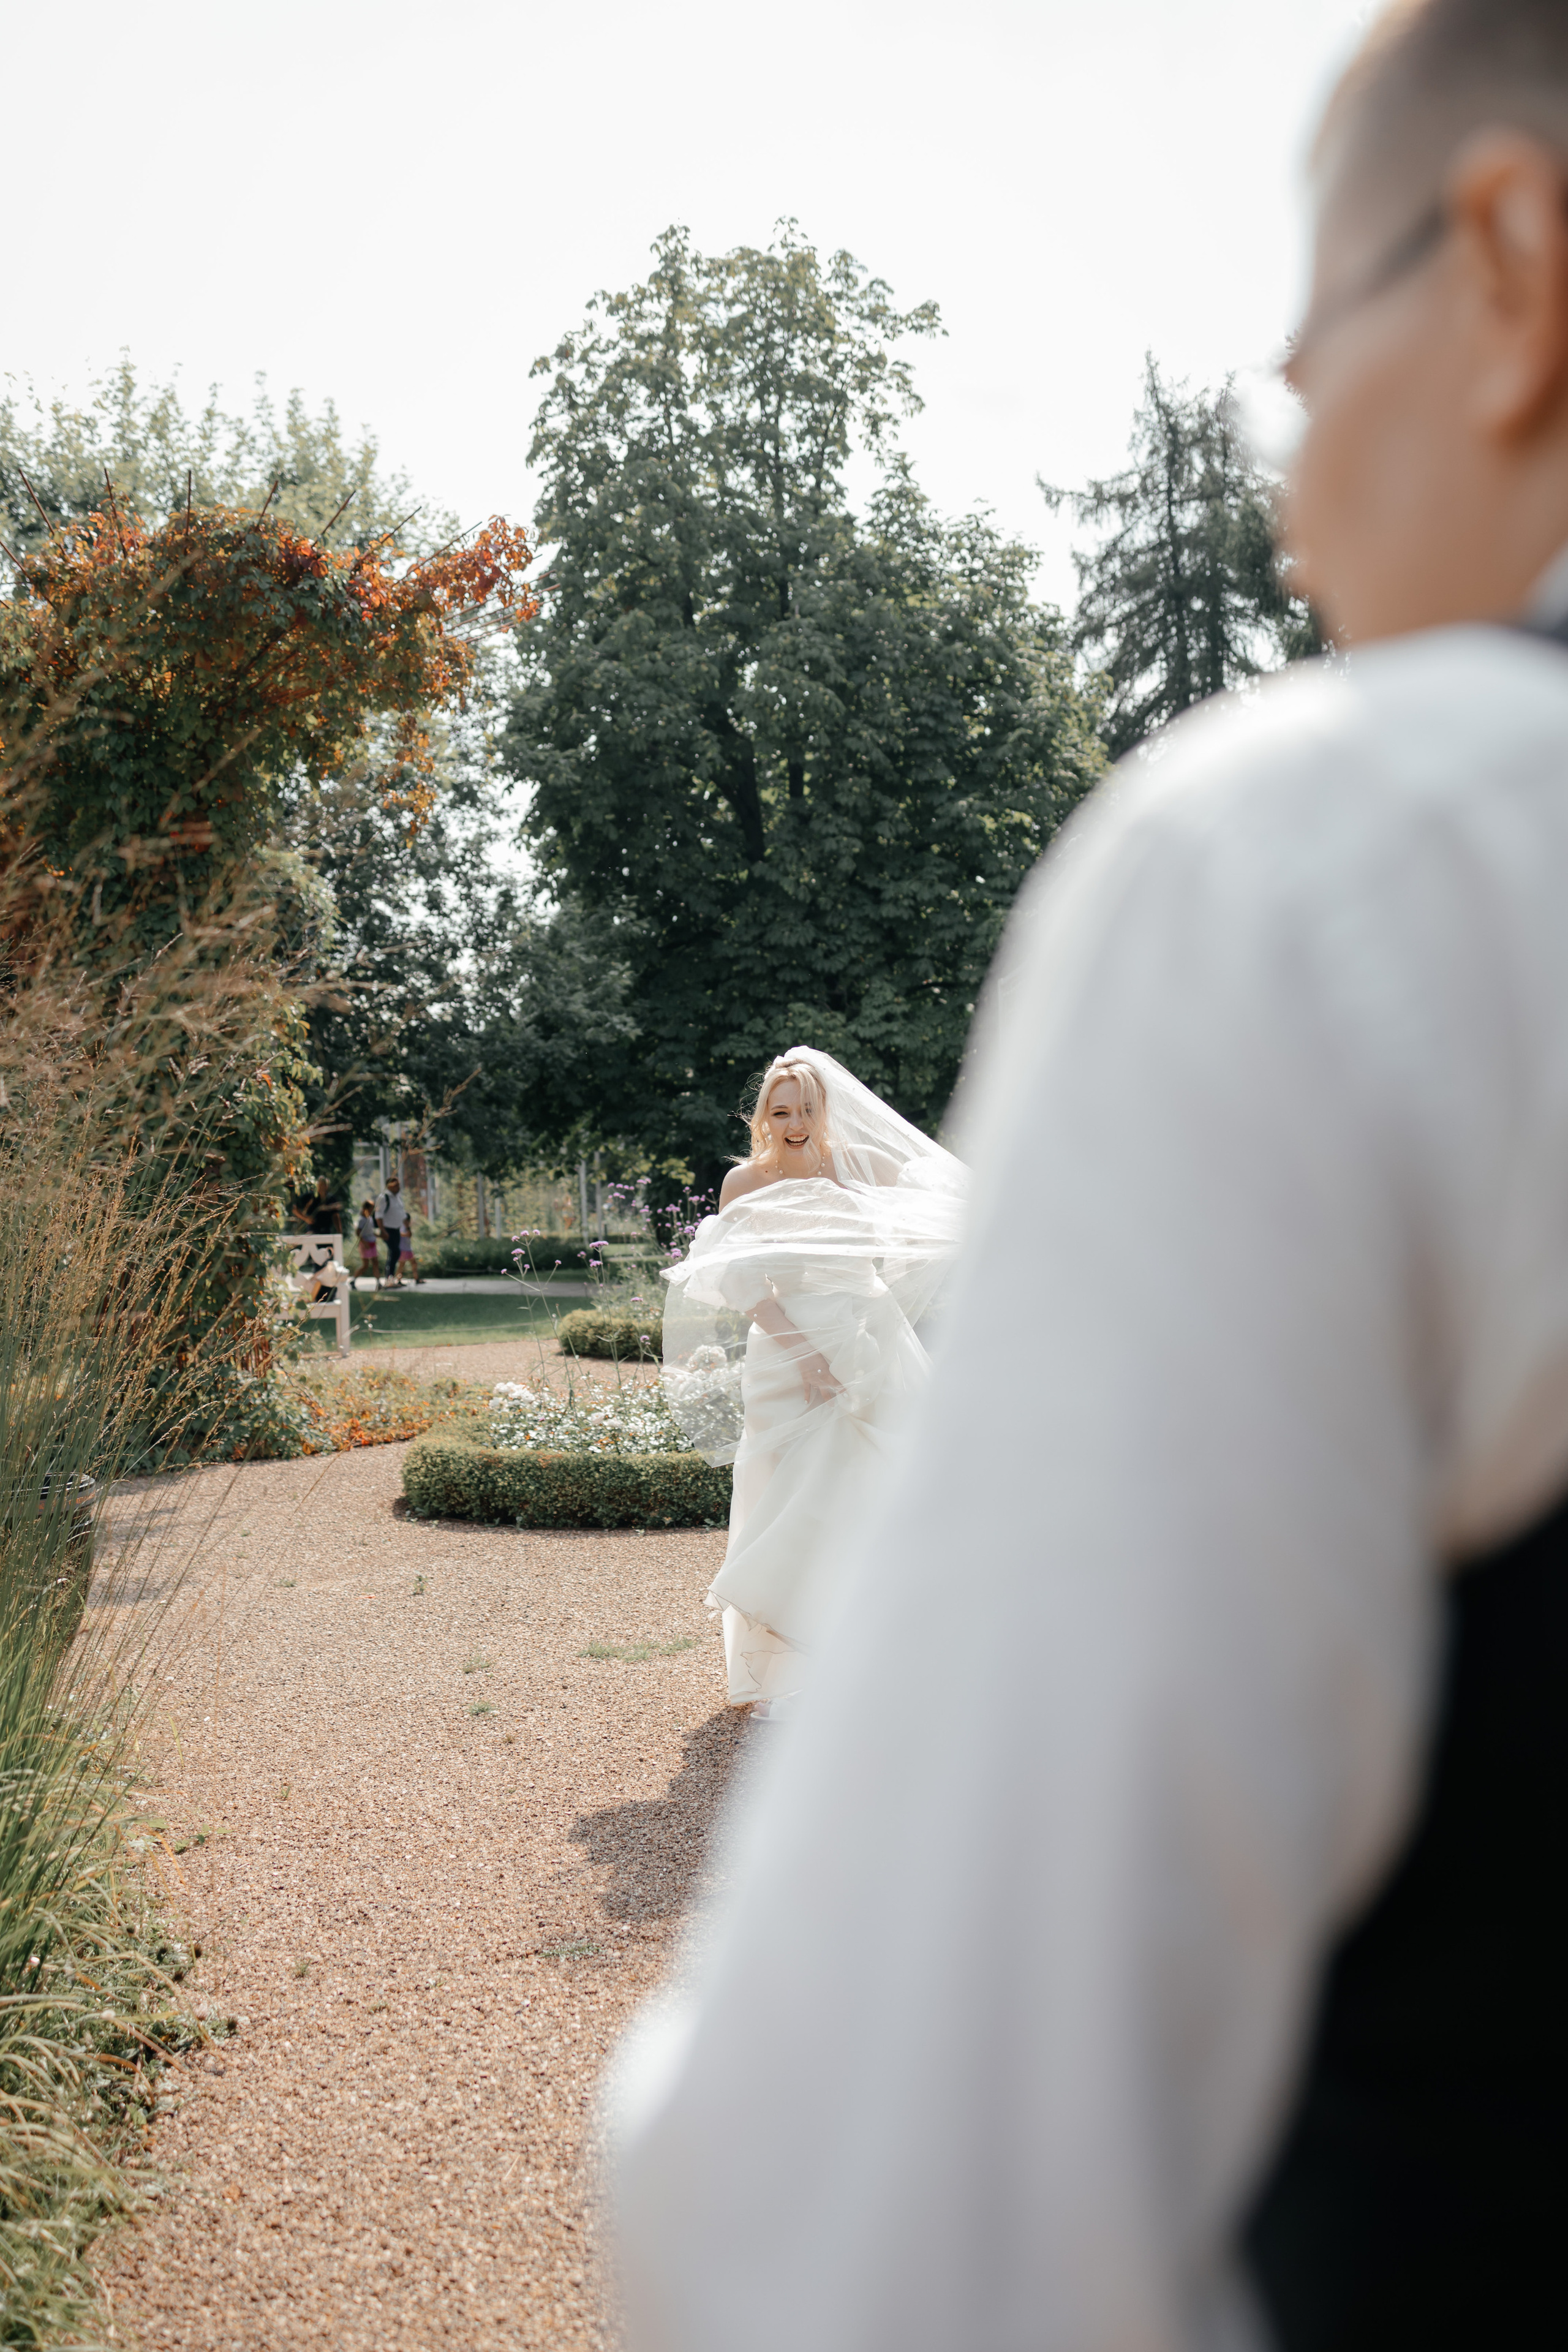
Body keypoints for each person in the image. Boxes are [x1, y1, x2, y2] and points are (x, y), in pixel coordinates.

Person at [612, 5, 1568, 2346]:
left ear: (1509, 267)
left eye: (1304, 362)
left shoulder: (1337, 867)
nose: (1289, 504)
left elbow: (871, 2212)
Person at [660, 1049, 965, 1716]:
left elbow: (942, 1208)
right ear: (762, 1118)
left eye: (806, 1109)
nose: (794, 1123)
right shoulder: (745, 1182)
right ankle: (796, 1671)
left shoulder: (864, 1166)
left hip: (874, 1344)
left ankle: (886, 1659)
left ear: (825, 1111)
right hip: (787, 1350)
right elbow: (746, 1286)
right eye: (781, 1112)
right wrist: (808, 1358)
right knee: (795, 1505)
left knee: (881, 1497)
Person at [375, 1174, 409, 1286]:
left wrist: (407, 1228)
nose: (398, 1187)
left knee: (394, 1254)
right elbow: (378, 1216)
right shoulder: (384, 1198)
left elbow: (402, 1214)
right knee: (395, 1252)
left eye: (398, 1185)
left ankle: (391, 1279)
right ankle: (389, 1278)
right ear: (389, 1186)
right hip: (388, 1230)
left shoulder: (397, 1197)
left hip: (396, 1230)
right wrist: (383, 1230)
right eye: (396, 1185)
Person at [355, 1199, 380, 1286]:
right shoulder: (362, 1219)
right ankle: (354, 1280)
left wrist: (378, 1236)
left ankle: (378, 1283)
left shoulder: (370, 1218)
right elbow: (358, 1232)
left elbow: (370, 1232)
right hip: (366, 1244)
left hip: (372, 1242)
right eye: (372, 1207)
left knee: (375, 1262)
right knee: (366, 1265)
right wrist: (364, 1242)